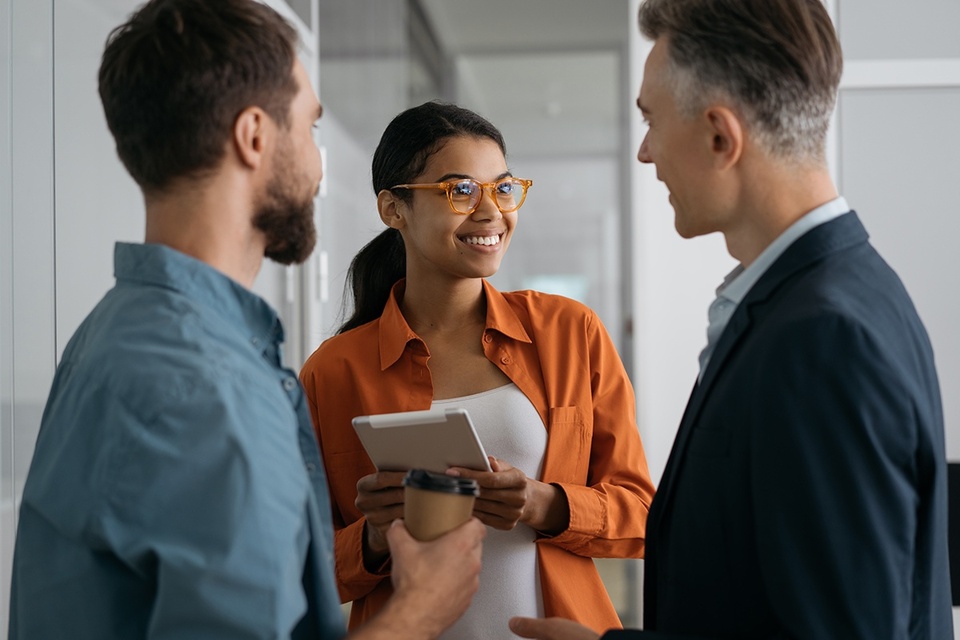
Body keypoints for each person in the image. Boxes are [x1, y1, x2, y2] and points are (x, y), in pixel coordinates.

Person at [7, 1, 485, 639]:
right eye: (310, 128)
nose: (319, 166)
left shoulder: (113, 333)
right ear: (255, 136)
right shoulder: (209, 387)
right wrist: (422, 608)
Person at [509, 0, 954, 638]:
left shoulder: (823, 339)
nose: (644, 152)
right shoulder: (836, 294)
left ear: (721, 136)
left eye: (651, 121)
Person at [298, 100, 656, 638]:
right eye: (460, 190)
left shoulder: (569, 331)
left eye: (503, 188)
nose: (491, 211)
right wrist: (374, 537)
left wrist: (545, 503)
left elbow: (643, 515)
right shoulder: (332, 372)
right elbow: (299, 567)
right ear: (393, 209)